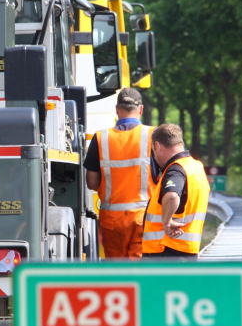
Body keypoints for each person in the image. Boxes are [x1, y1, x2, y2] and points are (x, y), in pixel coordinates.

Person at [84, 88, 155, 259]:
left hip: (112, 221)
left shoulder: (101, 138)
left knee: (116, 271)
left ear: (117, 110)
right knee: (139, 268)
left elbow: (92, 183)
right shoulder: (152, 135)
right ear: (141, 109)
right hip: (143, 217)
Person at [142, 123, 210, 259]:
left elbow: (172, 195)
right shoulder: (196, 167)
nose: (155, 158)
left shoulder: (175, 169)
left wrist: (167, 222)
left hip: (166, 252)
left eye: (153, 152)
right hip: (187, 251)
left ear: (158, 146)